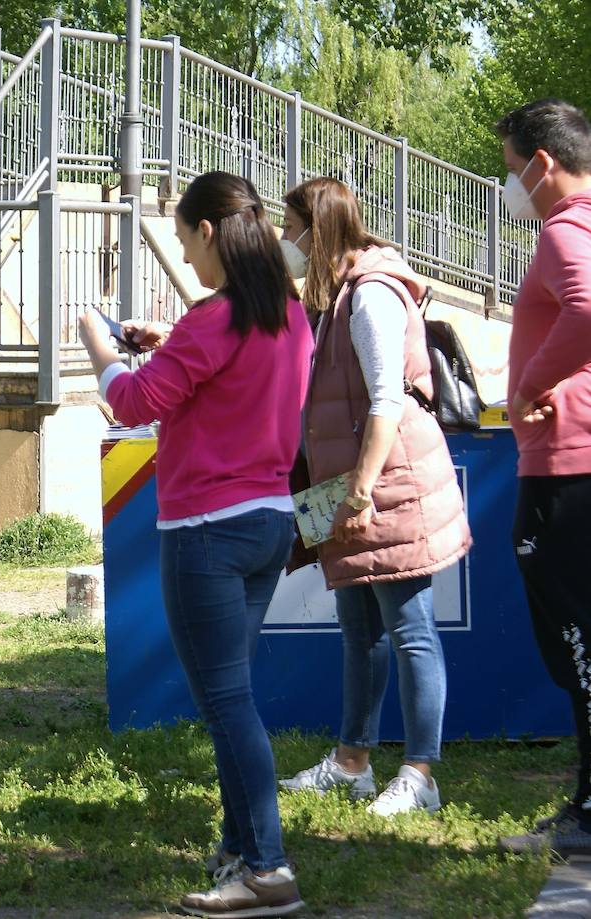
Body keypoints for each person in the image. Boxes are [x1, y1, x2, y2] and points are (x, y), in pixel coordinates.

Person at [78, 171, 312, 917]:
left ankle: (267, 867)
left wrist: (101, 349)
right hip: (269, 521)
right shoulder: (286, 315)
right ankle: (244, 850)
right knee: (231, 694)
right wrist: (169, 340)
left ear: (208, 232)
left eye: (183, 242)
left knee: (226, 702)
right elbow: (219, 371)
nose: (186, 258)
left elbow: (133, 401)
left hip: (205, 530)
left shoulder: (213, 321)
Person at [276, 177, 470, 818]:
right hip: (353, 488)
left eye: (290, 226)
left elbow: (387, 397)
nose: (284, 239)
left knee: (410, 630)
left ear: (317, 228)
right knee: (359, 630)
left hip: (384, 487)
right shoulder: (336, 297)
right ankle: (352, 762)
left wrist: (359, 490)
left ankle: (421, 774)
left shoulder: (371, 297)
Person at [489, 100, 591, 859]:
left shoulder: (564, 228)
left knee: (575, 632)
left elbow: (587, 308)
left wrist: (529, 381)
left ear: (541, 163)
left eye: (509, 168)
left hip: (566, 461)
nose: (509, 185)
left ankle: (589, 815)